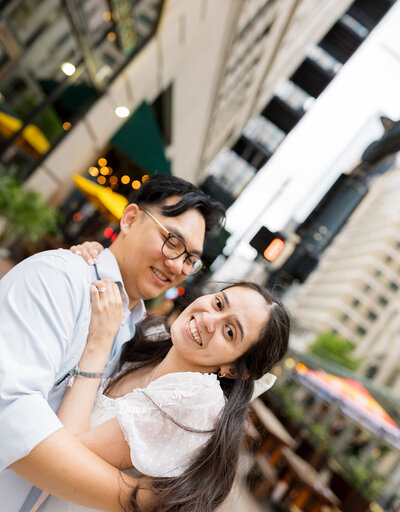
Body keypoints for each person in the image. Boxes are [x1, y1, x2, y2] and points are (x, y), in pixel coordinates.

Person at [0, 174, 225, 512]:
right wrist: (139, 500)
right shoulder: (58, 279)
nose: (177, 265)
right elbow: (9, 411)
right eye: (171, 242)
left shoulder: (138, 337)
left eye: (190, 259)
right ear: (131, 219)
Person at [35, 279, 291, 512]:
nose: (209, 320)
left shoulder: (198, 399)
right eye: (218, 303)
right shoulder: (155, 339)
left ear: (234, 370)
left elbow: (57, 457)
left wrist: (99, 343)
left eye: (230, 332)